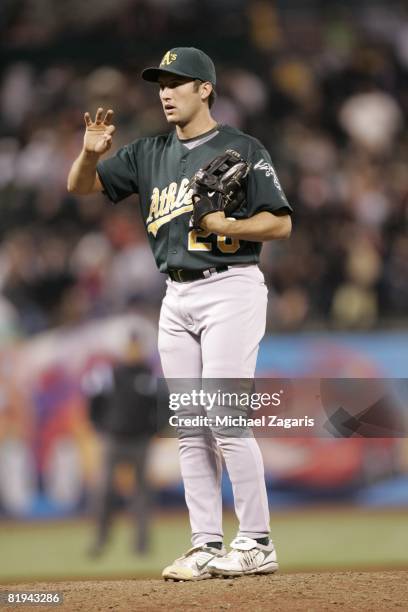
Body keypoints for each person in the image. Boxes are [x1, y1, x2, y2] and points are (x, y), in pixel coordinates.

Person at [68, 47, 292, 580]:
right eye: (160, 83)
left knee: (223, 416)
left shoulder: (242, 146)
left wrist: (228, 227)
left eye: (177, 81)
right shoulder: (148, 153)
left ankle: (258, 540)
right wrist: (90, 154)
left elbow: (280, 224)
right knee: (191, 426)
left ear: (204, 89)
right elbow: (81, 187)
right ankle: (206, 543)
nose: (165, 91)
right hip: (176, 295)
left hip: (229, 287)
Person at [82, 335, 156, 557]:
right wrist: (99, 426)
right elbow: (94, 402)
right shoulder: (110, 374)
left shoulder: (148, 375)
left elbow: (161, 406)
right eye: (130, 346)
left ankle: (141, 545)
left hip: (140, 441)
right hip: (114, 439)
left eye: (136, 346)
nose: (133, 351)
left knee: (142, 494)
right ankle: (101, 540)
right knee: (104, 491)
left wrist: (154, 430)